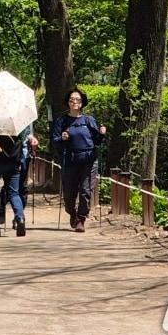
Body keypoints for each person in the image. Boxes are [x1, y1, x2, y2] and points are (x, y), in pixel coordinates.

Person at [51, 88, 107, 232]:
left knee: (85, 190)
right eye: (72, 100)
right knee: (69, 194)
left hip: (89, 159)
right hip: (70, 159)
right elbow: (55, 140)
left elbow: (97, 141)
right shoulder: (62, 121)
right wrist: (62, 138)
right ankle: (72, 213)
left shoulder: (89, 120)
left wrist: (102, 134)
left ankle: (81, 219)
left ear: (82, 103)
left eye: (78, 100)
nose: (75, 102)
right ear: (68, 103)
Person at [0, 127, 31, 237]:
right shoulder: (14, 122)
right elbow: (22, 139)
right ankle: (20, 218)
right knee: (14, 193)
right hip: (12, 161)